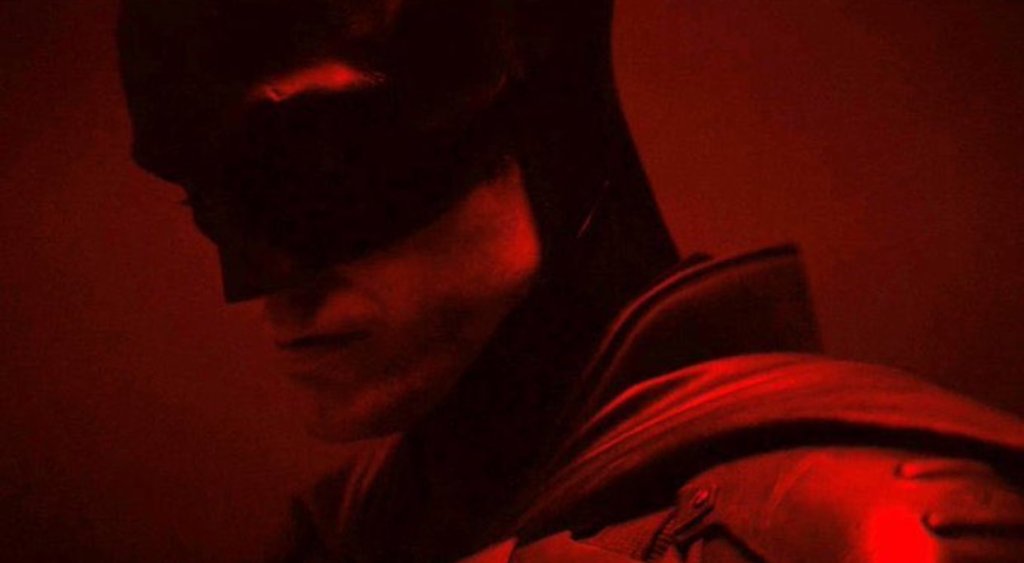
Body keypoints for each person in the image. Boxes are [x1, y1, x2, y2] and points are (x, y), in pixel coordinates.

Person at [117, 0, 1024, 561]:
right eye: (206, 204)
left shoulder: (880, 535)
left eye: (316, 172)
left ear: (538, 115)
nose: (260, 283)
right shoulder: (343, 539)